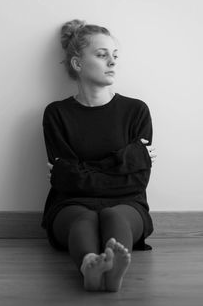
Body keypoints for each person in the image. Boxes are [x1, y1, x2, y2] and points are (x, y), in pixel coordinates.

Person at [41, 19, 157, 292]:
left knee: (112, 216)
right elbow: (64, 183)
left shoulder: (136, 111)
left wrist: (81, 171)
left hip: (128, 204)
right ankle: (89, 265)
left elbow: (137, 182)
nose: (112, 62)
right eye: (102, 55)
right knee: (86, 219)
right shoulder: (57, 114)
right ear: (78, 64)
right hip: (70, 205)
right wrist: (124, 161)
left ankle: (111, 268)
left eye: (114, 56)